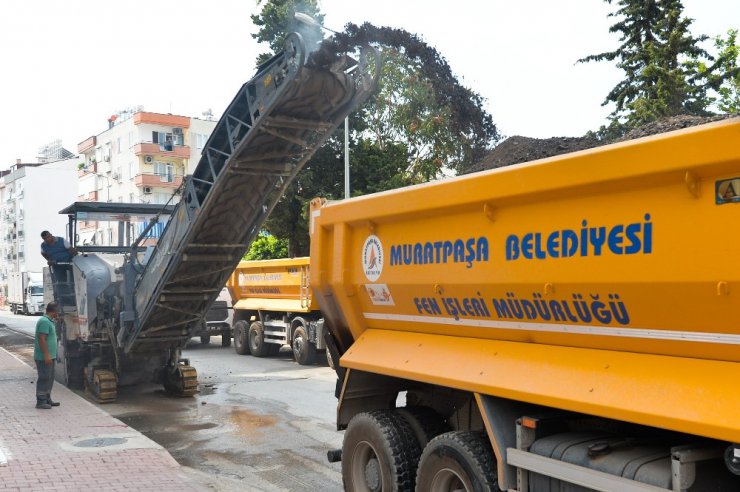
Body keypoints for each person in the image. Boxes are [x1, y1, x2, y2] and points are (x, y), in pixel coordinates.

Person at [34, 302, 60, 409]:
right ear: (53, 311)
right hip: (44, 357)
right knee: (44, 378)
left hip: (50, 356)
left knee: (50, 378)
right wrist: (46, 355)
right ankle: (41, 401)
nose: (58, 313)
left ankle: (47, 398)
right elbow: (42, 339)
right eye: (57, 311)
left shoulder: (49, 321)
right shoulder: (44, 321)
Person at [40, 231, 76, 303]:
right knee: (60, 282)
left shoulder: (61, 240)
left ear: (51, 235)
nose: (47, 240)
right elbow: (43, 253)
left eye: (48, 237)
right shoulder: (43, 245)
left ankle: (75, 299)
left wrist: (74, 259)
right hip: (57, 265)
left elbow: (72, 250)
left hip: (69, 262)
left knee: (74, 280)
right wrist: (50, 260)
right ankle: (66, 301)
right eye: (45, 239)